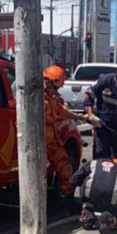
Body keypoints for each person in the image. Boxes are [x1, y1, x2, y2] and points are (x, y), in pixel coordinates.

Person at [43, 65, 86, 213]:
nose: (57, 92)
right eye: (55, 88)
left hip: (50, 142)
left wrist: (81, 117)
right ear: (47, 82)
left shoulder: (52, 99)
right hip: (37, 144)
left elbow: (62, 112)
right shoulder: (35, 100)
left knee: (64, 166)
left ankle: (69, 200)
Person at [70, 158, 117, 234]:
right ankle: (110, 219)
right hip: (112, 198)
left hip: (91, 195)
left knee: (88, 204)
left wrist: (77, 190)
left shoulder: (91, 164)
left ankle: (88, 220)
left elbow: (74, 179)